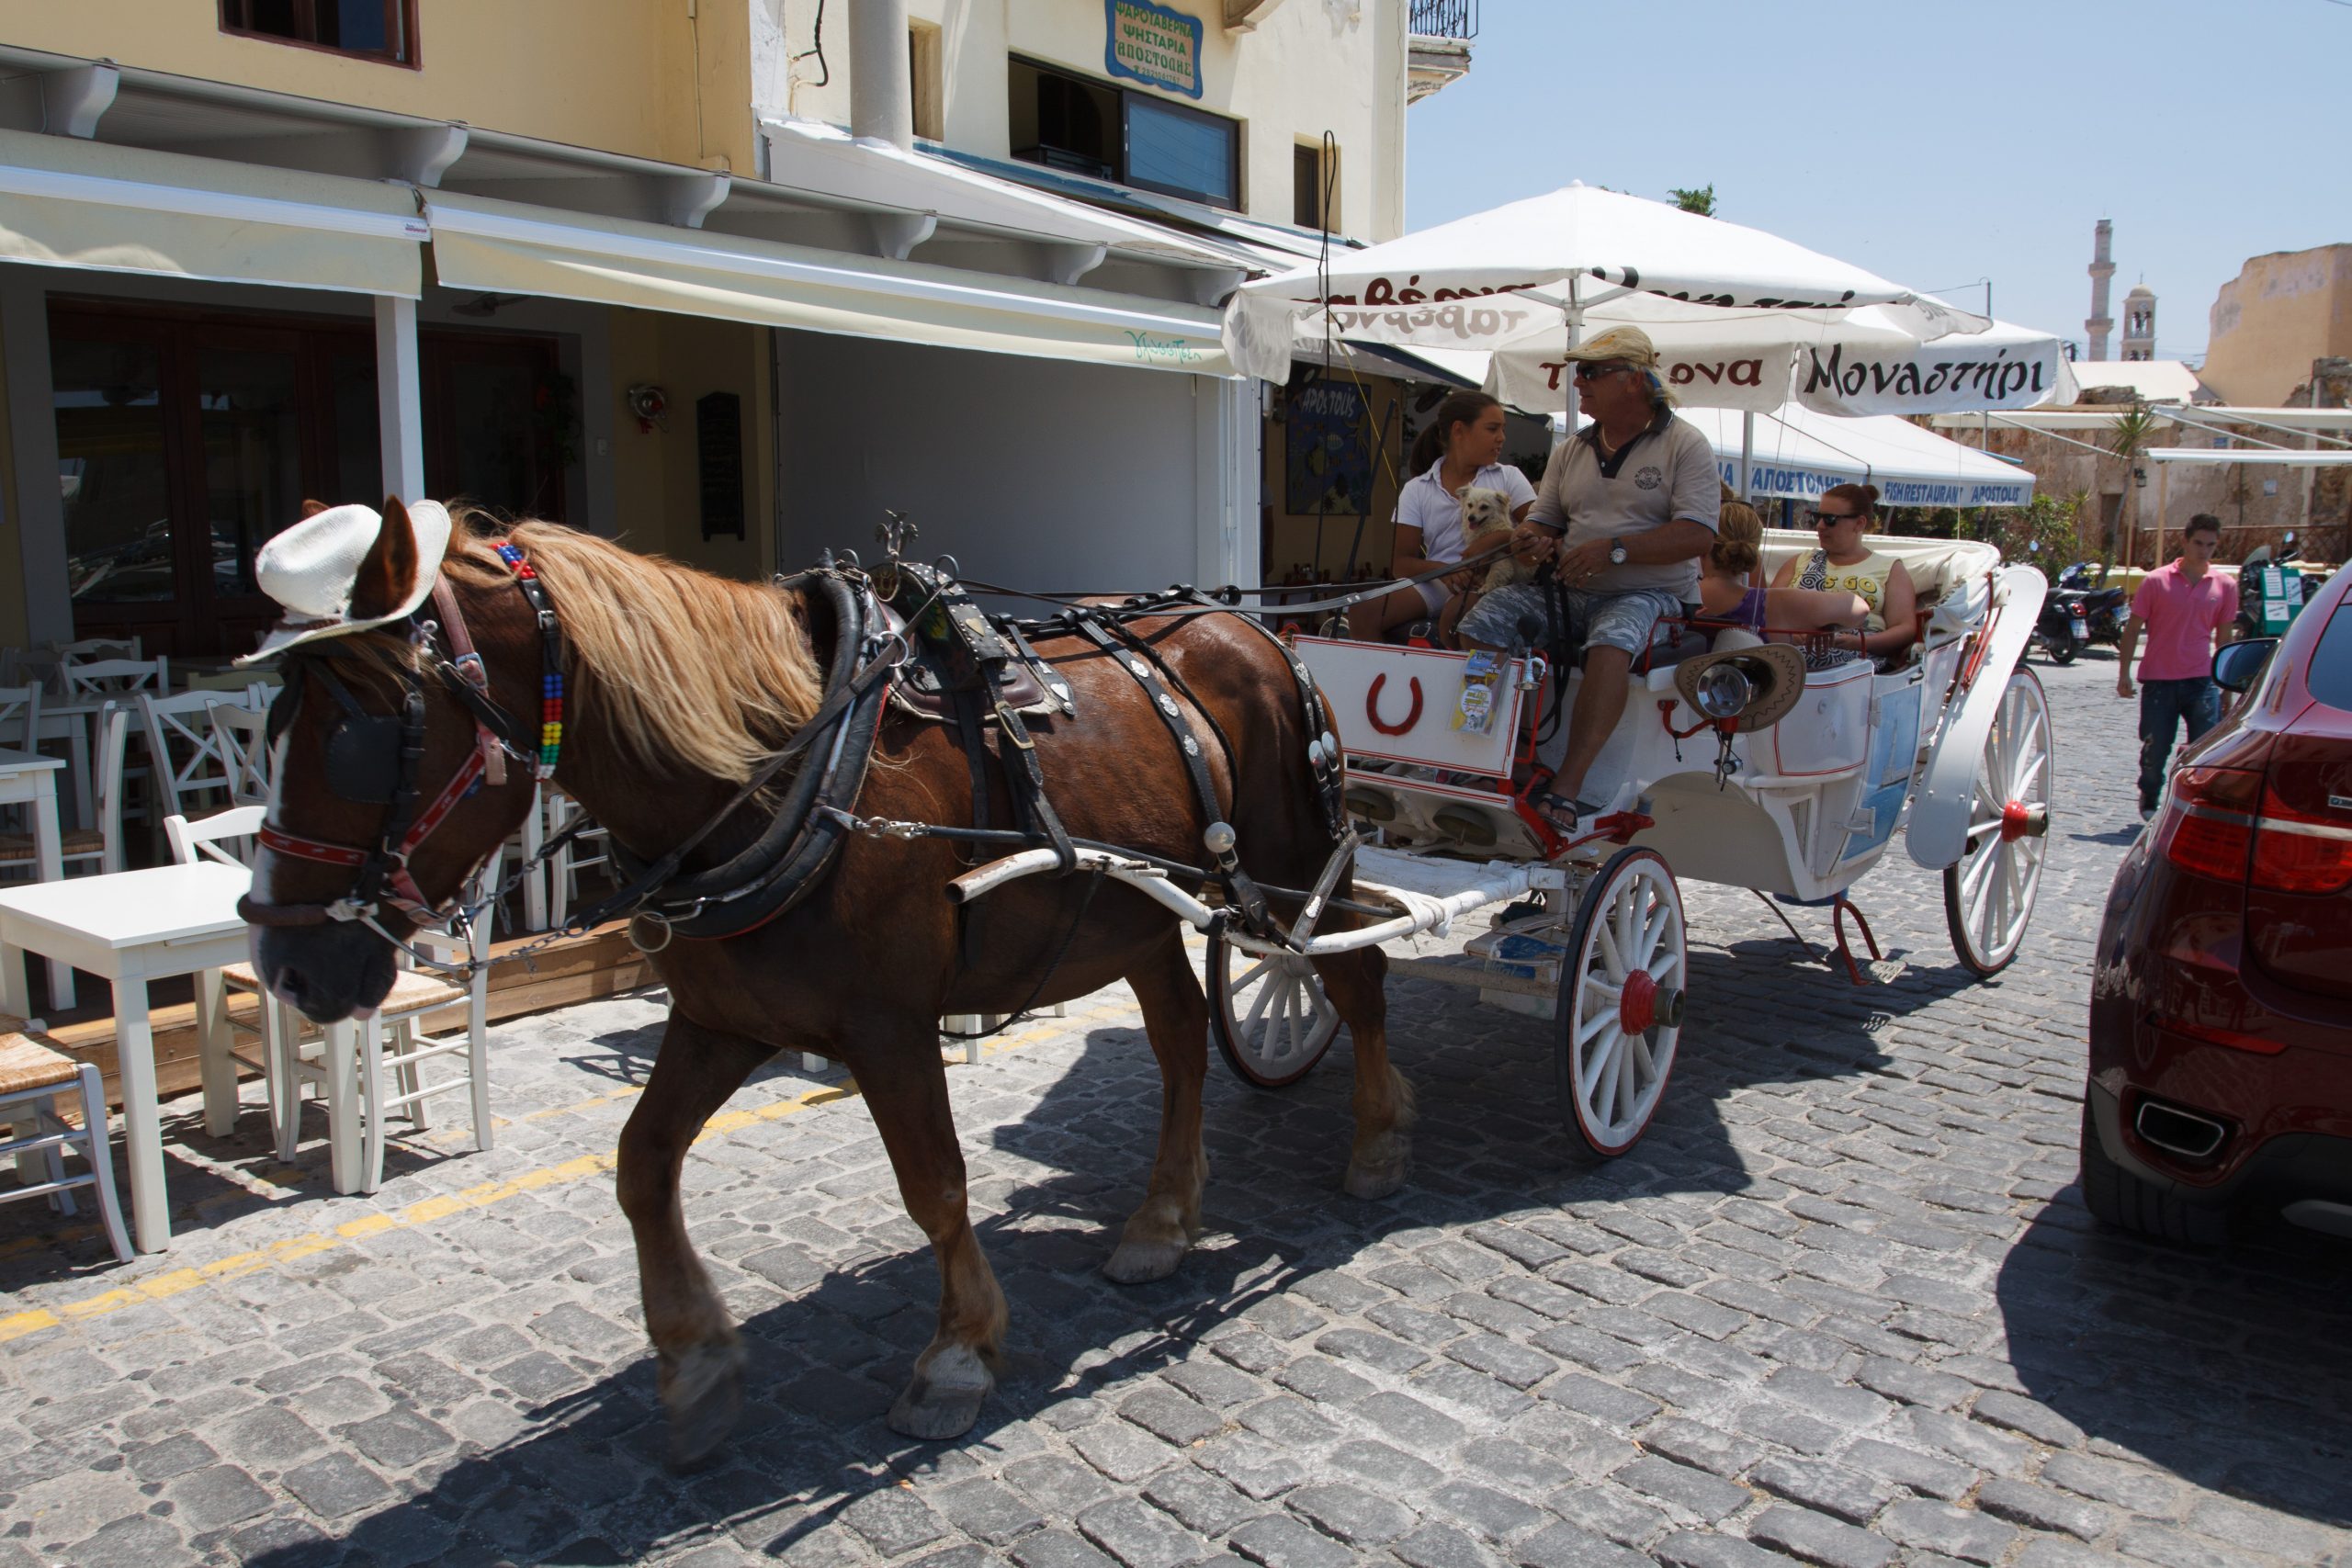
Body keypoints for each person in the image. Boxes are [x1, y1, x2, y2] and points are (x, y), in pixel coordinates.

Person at [1457, 326, 1717, 829]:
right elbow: (1544, 519)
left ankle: (1569, 783)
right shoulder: (1571, 449)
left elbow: (1698, 536)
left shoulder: (1686, 444)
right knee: (1484, 617)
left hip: (1653, 593)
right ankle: (1489, 755)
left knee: (1612, 638)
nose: (1579, 382)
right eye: (1579, 373)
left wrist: (1615, 550)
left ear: (1634, 380)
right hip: (1573, 588)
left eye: (1593, 372)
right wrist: (1530, 537)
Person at [1356, 390, 1535, 641]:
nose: (1501, 438)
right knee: (1363, 610)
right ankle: (1384, 677)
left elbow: (1537, 533)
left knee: (1458, 613)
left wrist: (1493, 541)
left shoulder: (1508, 477)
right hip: (1439, 581)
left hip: (1494, 578)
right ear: (1459, 430)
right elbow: (1401, 564)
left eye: (1502, 429)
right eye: (1492, 429)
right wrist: (1444, 570)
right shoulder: (1418, 488)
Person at [2117, 513, 2234, 819]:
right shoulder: (2156, 581)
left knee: (2206, 749)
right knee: (2156, 748)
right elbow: (2132, 629)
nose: (2203, 550)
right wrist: (2124, 673)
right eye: (2198, 543)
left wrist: (2227, 685)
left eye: (2210, 545)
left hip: (2202, 680)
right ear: (2185, 541)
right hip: (2160, 679)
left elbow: (2224, 637)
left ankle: (2193, 804)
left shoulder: (2224, 585)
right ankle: (2150, 793)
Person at [1768, 484, 1917, 664]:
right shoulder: (1800, 561)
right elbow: (1765, 609)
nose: (1820, 526)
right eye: (1818, 517)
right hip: (1793, 659)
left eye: (1830, 519)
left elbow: (1905, 627)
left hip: (1858, 665)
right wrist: (1792, 633)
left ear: (1859, 523)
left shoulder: (1890, 568)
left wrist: (1859, 643)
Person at [1694, 497, 1871, 646]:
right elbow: (1860, 608)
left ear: (1703, 543)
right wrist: (1827, 625)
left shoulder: (1678, 596)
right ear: (1754, 548)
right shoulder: (1774, 603)